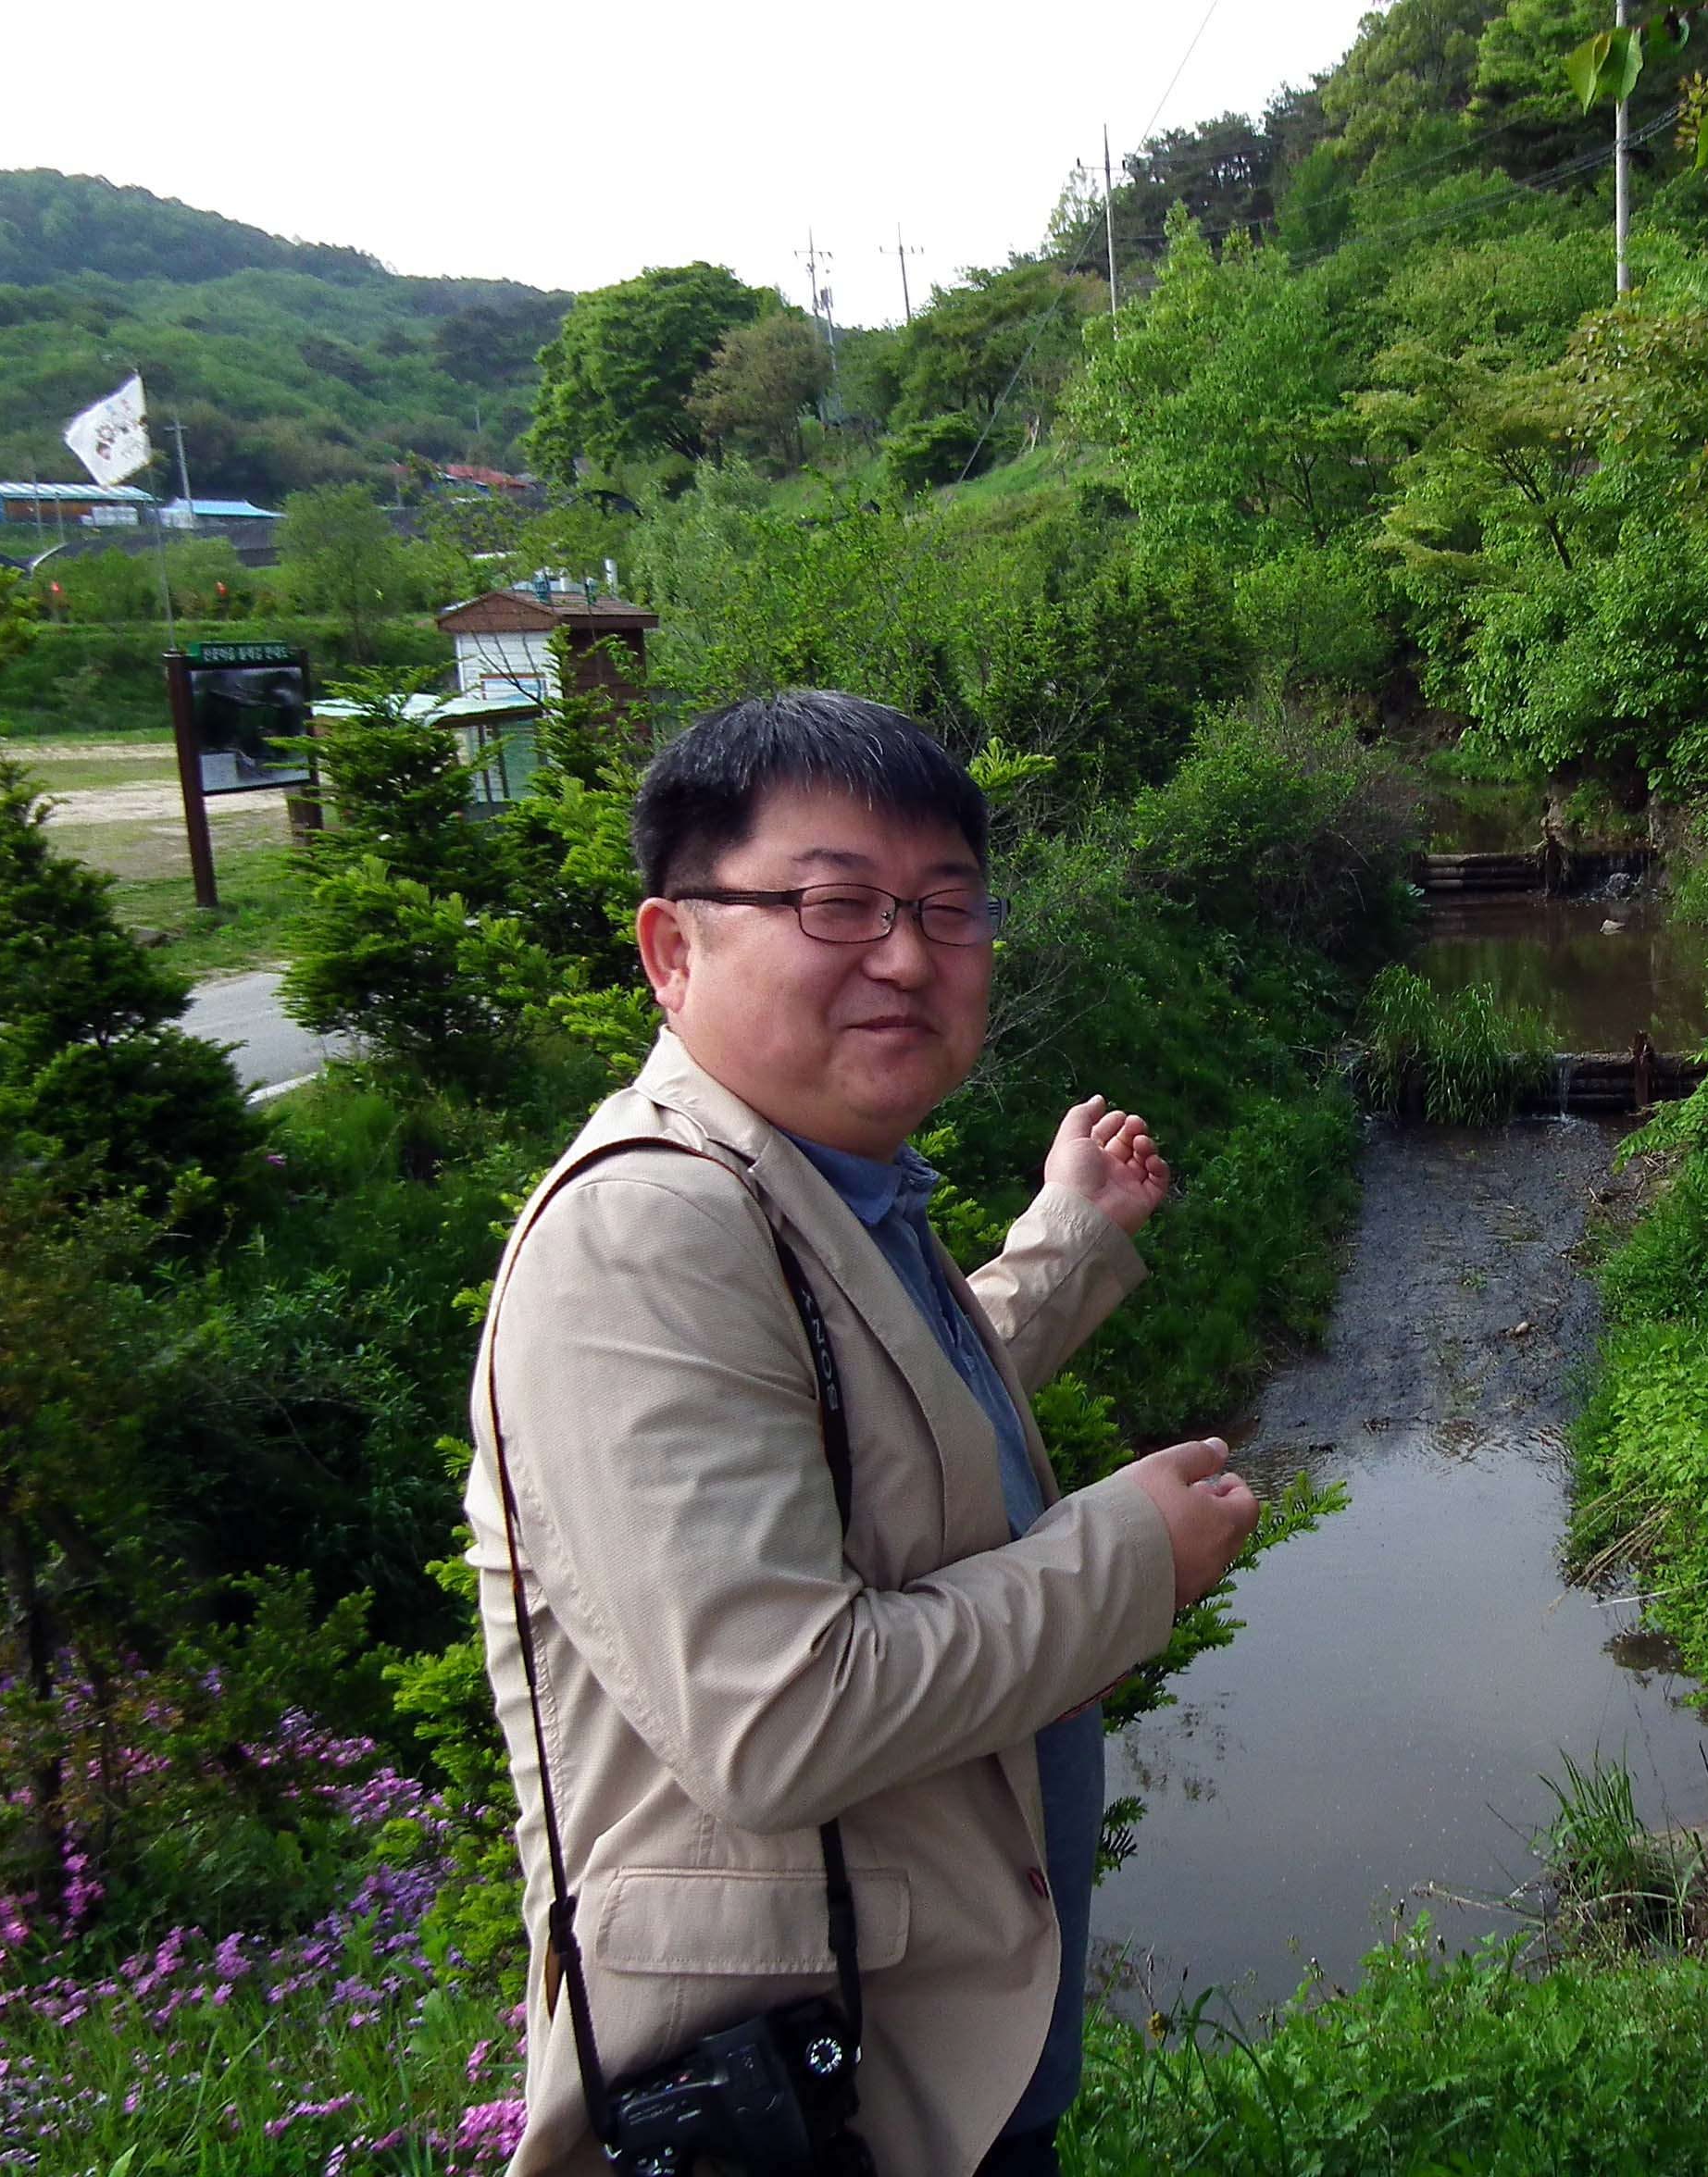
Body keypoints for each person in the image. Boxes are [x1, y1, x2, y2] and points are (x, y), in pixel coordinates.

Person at [464, 690, 1262, 2177]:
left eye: (945, 908)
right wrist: (1126, 1560)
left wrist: (1070, 1243)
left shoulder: (819, 1190)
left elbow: (875, 1412)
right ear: (672, 947)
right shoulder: (646, 1231)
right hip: (805, 2103)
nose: (905, 955)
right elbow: (782, 1718)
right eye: (835, 903)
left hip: (929, 2068)